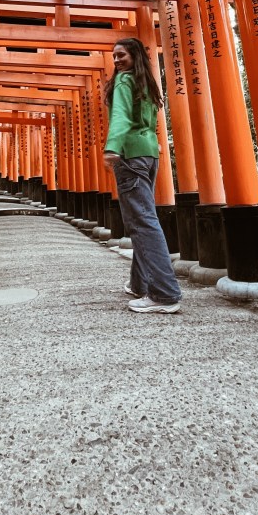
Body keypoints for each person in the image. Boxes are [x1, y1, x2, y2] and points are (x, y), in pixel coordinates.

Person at [103, 37, 182, 314]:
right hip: (149, 154)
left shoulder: (124, 81)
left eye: (121, 55)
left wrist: (112, 146)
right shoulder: (146, 82)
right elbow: (146, 120)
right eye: (114, 56)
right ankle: (140, 283)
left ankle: (164, 293)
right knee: (144, 219)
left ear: (135, 55)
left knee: (142, 222)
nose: (116, 60)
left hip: (130, 155)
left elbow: (121, 117)